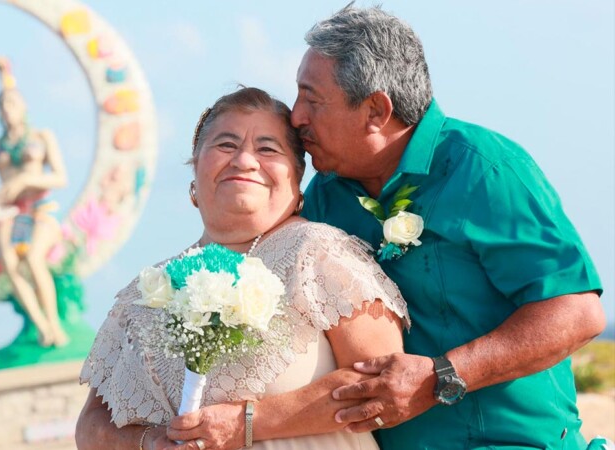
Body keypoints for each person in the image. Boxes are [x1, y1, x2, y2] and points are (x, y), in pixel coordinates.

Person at [166, 4, 605, 450]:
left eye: (311, 99)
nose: (296, 117)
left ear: (376, 110)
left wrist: (443, 374)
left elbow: (577, 313)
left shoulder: (485, 171)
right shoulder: (324, 195)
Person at [75, 87, 409, 450]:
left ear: (297, 181)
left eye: (267, 148)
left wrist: (245, 423)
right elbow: (92, 424)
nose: (244, 160)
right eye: (226, 145)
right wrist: (151, 441)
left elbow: (383, 386)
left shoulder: (318, 253)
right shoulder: (147, 290)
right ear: (195, 169)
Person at [0, 57, 70, 347]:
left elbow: (59, 177)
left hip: (39, 207)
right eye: (3, 107)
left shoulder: (42, 136)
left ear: (24, 108)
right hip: (7, 211)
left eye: (12, 105)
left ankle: (55, 324)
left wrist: (26, 182)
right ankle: (42, 326)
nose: (8, 112)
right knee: (9, 264)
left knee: (33, 258)